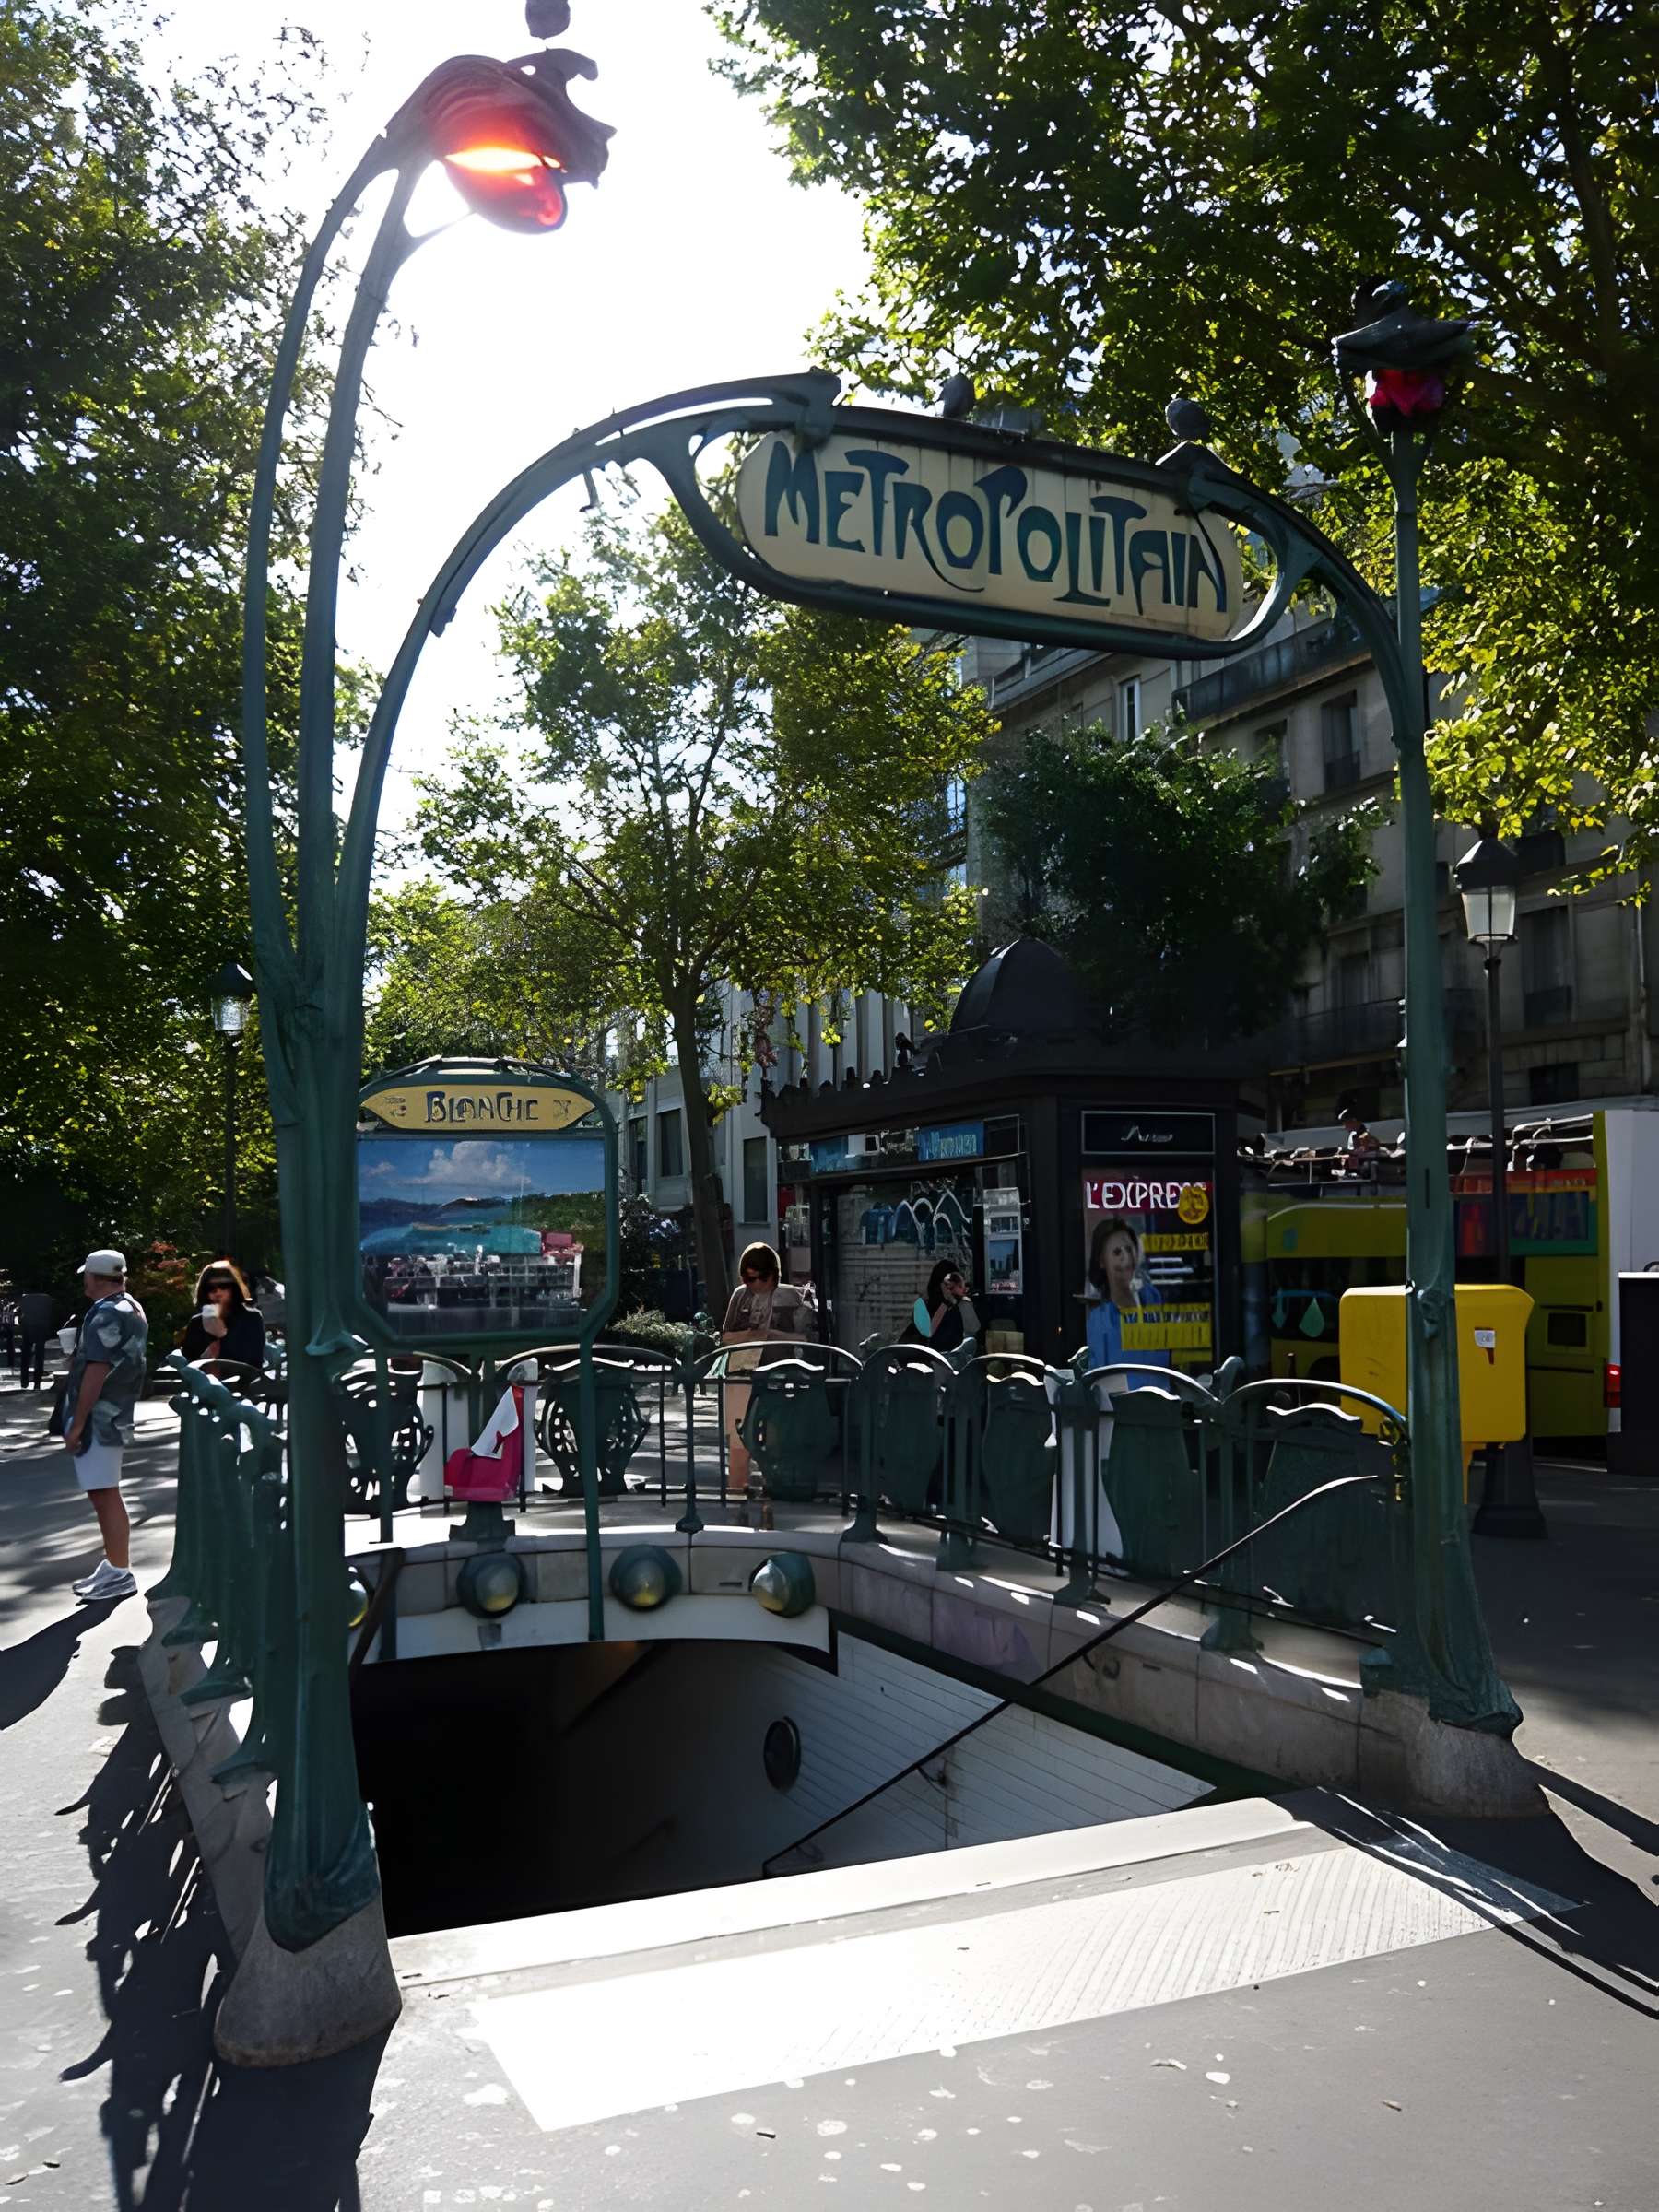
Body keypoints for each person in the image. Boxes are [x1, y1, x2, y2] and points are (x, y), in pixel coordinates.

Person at [60, 1249, 148, 1603]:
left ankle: (120, 1572)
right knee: (105, 1491)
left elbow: (97, 1371)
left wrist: (77, 1423)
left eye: (86, 1277)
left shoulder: (105, 1314)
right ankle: (114, 1567)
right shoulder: (131, 1307)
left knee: (104, 1493)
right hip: (117, 1412)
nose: (84, 1283)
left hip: (101, 1417)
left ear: (95, 1278)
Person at [720, 1241, 807, 1526]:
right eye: (746, 1278)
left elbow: (804, 1339)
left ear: (772, 1275)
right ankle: (736, 1507)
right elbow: (725, 1337)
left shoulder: (790, 1299)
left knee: (773, 1445)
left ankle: (771, 1508)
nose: (751, 1284)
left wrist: (771, 1334)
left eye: (757, 1278)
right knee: (738, 1445)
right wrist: (750, 1335)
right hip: (741, 1375)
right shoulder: (740, 1297)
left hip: (774, 1377)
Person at [1084, 1217, 1170, 1384]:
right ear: (1102, 1261)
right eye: (1117, 1252)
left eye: (1130, 1249)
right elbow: (1098, 1382)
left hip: (1164, 1404)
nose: (1127, 1258)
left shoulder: (1153, 1299)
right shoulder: (1099, 1320)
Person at [180, 1259, 266, 1371]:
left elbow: (253, 1360)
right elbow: (189, 1359)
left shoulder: (251, 1318)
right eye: (211, 1288)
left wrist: (222, 1337)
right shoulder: (197, 1322)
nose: (218, 1292)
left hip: (242, 1383)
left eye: (223, 1286)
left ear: (233, 1288)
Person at [908, 1260, 981, 1353]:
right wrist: (946, 1302)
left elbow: (973, 1328)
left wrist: (962, 1300)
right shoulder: (923, 1306)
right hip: (930, 1359)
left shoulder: (961, 1305)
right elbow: (928, 1332)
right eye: (947, 1284)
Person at [18, 1285, 54, 1390]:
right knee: (39, 1357)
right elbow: (50, 1315)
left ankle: (24, 1382)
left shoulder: (25, 1299)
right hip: (41, 1329)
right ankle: (37, 1383)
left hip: (28, 1329)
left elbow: (21, 1316)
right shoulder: (46, 1298)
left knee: (25, 1356)